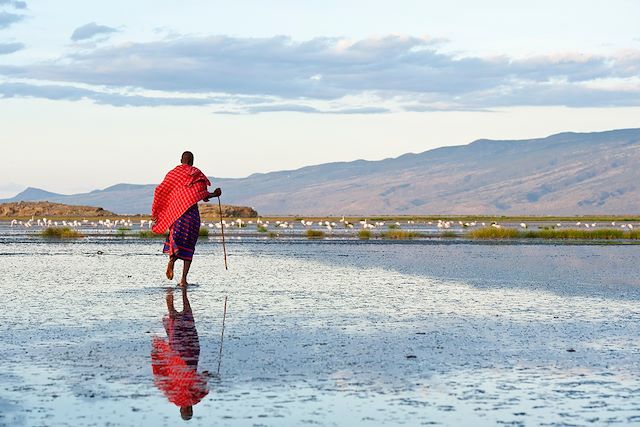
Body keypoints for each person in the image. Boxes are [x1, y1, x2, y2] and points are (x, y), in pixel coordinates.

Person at [151, 151, 221, 287]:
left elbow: (160, 191)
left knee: (175, 239)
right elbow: (201, 193)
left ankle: (172, 259)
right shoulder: (196, 173)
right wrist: (215, 194)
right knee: (189, 245)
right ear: (192, 161)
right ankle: (183, 280)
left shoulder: (173, 174)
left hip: (176, 216)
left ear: (181, 160)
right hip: (191, 216)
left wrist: (157, 213)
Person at [151, 287, 209, 421]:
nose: (188, 408)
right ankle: (172, 294)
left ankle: (179, 293)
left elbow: (202, 378)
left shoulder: (192, 397)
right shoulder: (174, 396)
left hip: (189, 355)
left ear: (185, 409)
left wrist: (209, 376)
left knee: (185, 320)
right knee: (175, 320)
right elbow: (164, 377)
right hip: (179, 357)